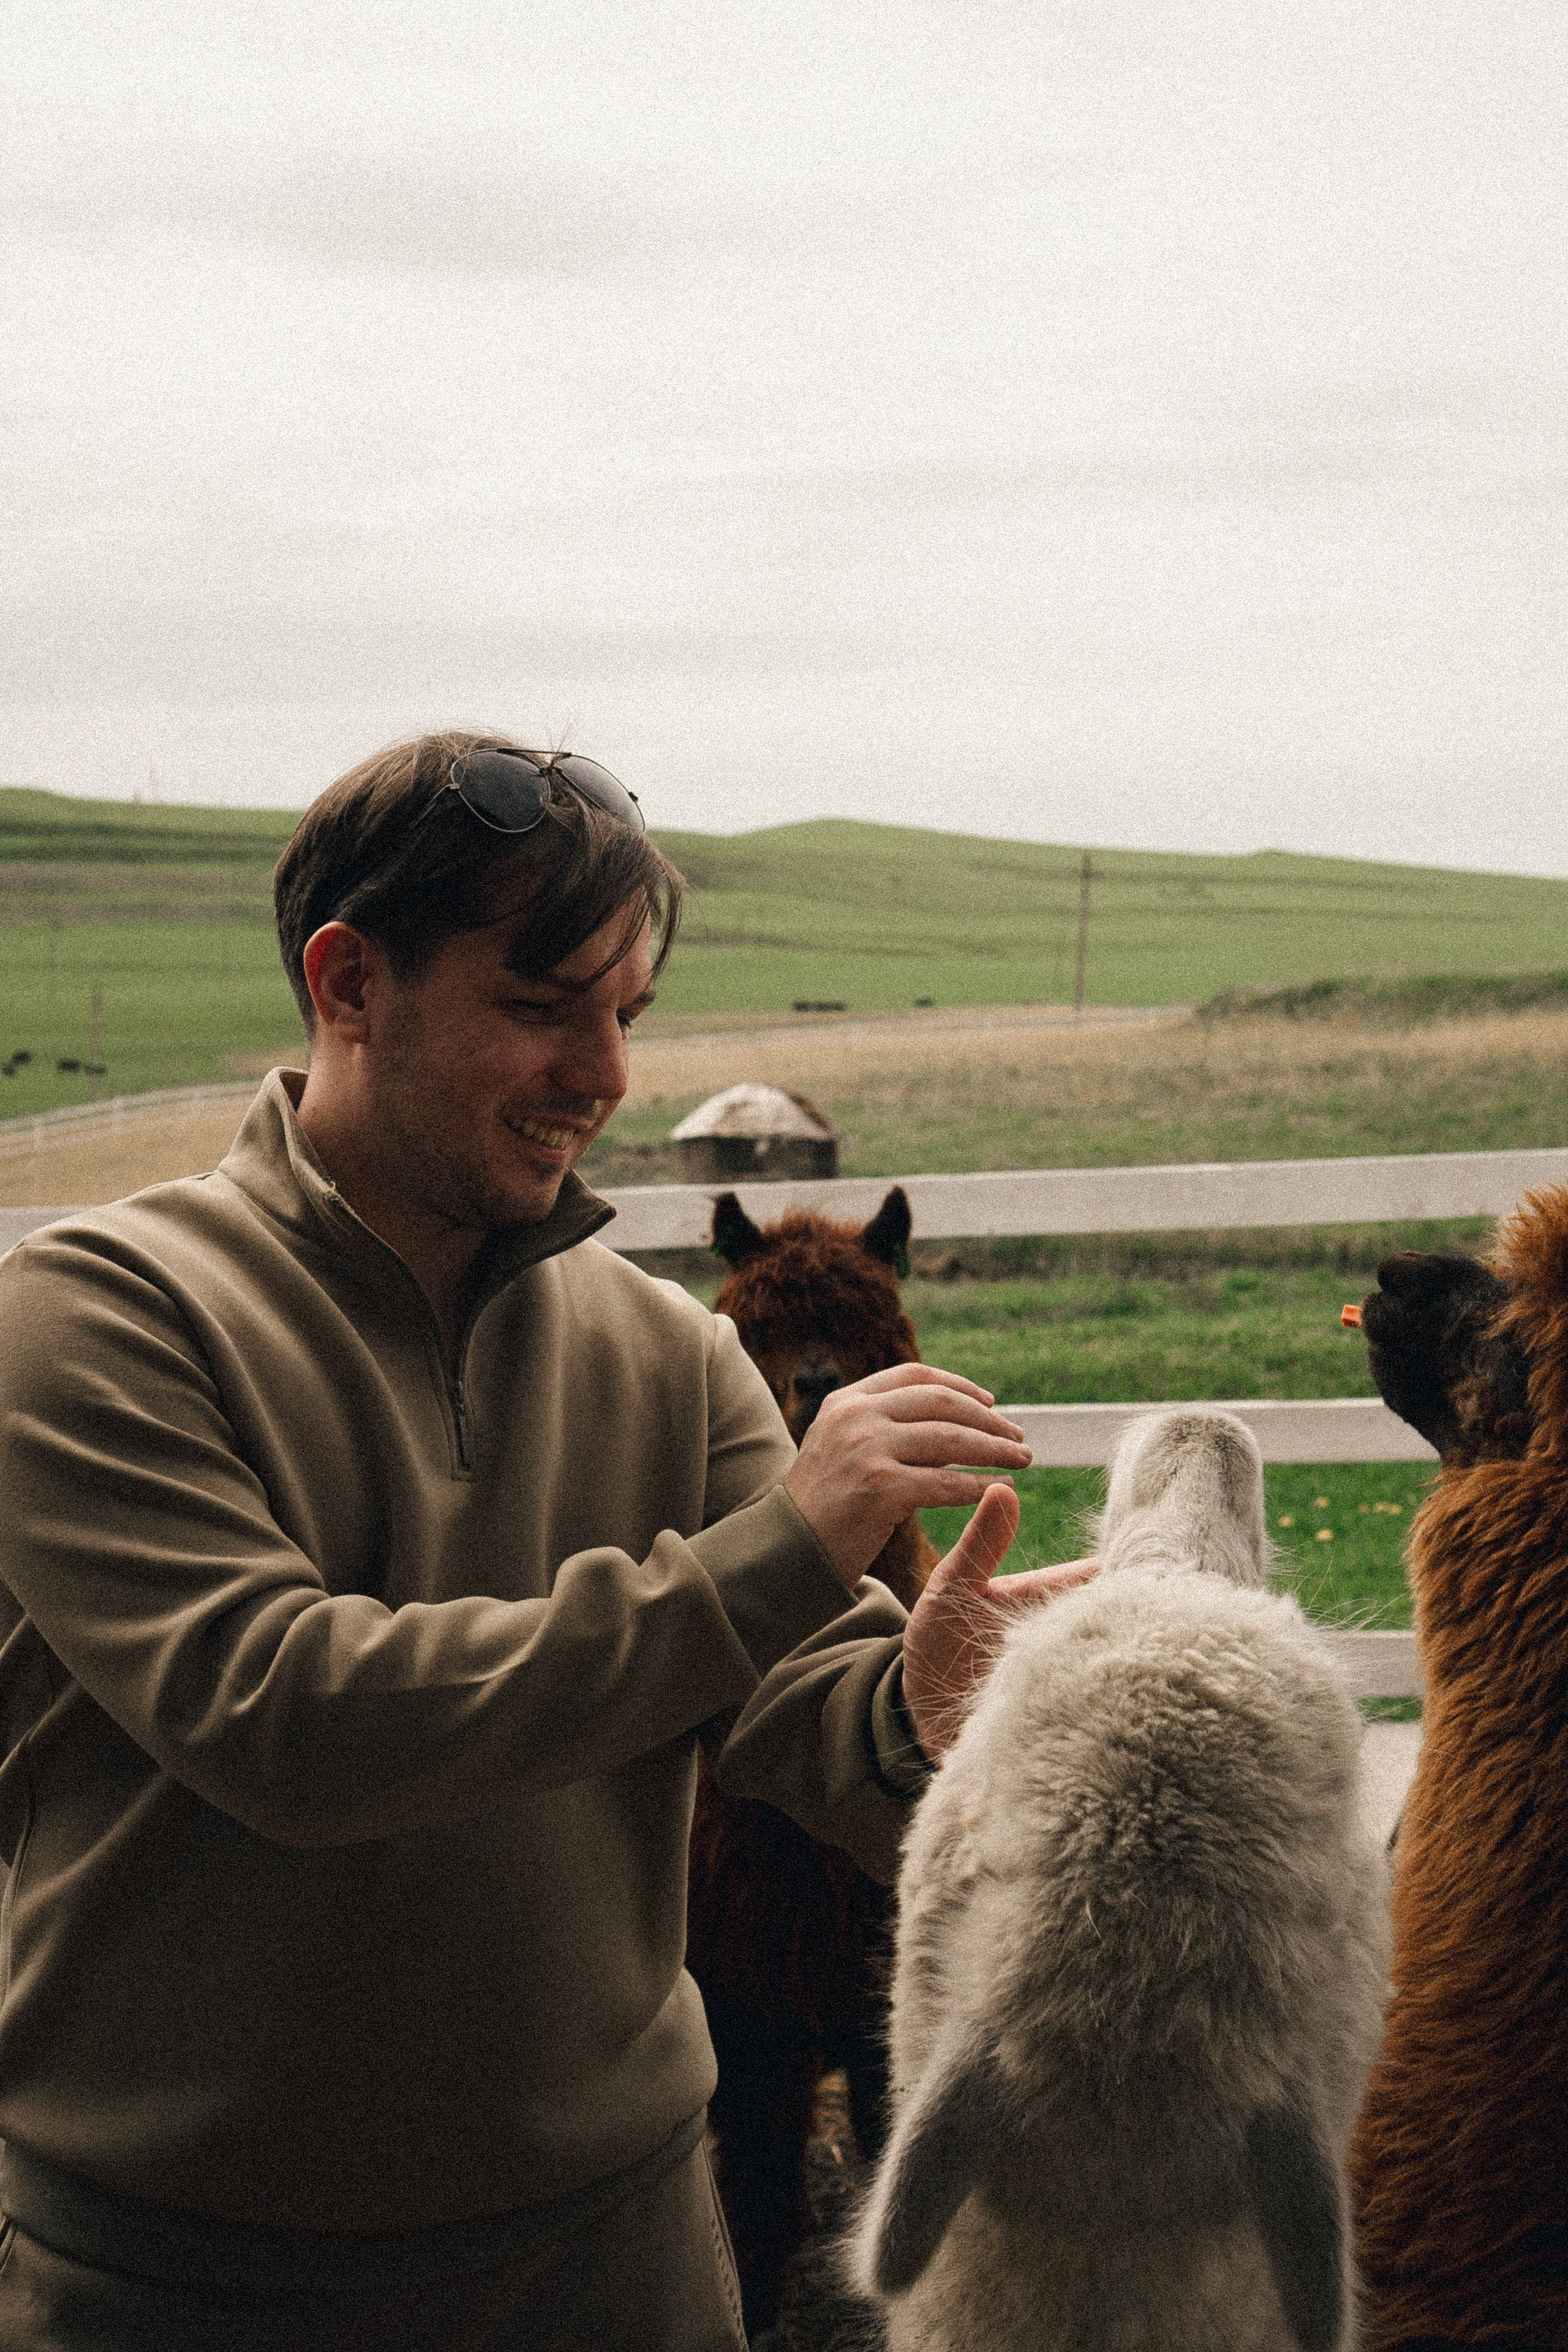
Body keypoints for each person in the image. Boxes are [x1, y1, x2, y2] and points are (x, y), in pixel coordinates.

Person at [0, 731, 1086, 2352]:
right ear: (350, 982)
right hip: (181, 2278)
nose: (607, 1072)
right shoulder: (95, 1316)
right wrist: (781, 1550)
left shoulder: (671, 1355)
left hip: (620, 2260)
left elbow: (794, 1712)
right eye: (540, 1004)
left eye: (625, 1015)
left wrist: (939, 1713)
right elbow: (285, 1717)